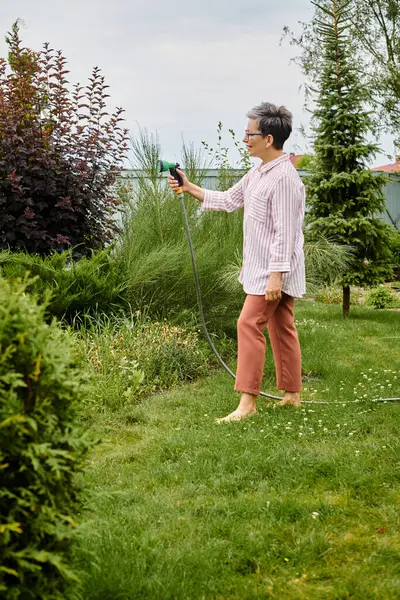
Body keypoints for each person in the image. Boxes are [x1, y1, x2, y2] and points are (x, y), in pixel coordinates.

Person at [168, 102, 305, 422]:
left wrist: (276, 277)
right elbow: (229, 200)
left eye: (249, 134)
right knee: (282, 326)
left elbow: (286, 233)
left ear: (268, 139)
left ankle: (247, 404)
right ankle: (292, 396)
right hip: (268, 268)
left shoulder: (284, 178)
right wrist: (189, 187)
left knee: (248, 324)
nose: (244, 139)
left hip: (273, 270)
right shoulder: (258, 172)